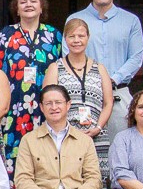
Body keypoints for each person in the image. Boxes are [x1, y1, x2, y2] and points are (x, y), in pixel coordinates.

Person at [68, 0, 143, 139]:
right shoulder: (74, 20)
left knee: (122, 147)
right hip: (84, 97)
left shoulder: (130, 21)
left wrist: (112, 79)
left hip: (119, 94)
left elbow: (136, 58)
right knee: (84, 148)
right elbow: (68, 57)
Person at [0, 0, 64, 168]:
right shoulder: (5, 35)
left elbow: (62, 69)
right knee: (15, 157)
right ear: (16, 9)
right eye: (23, 2)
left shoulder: (54, 36)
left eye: (33, 1)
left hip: (46, 108)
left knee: (46, 156)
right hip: (14, 109)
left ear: (42, 6)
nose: (28, 5)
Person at [44, 16, 114, 174]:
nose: (76, 40)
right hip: (65, 135)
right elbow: (48, 103)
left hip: (96, 135)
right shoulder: (55, 68)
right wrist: (67, 130)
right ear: (65, 39)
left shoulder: (100, 68)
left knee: (96, 181)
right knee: (69, 179)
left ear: (88, 38)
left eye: (81, 36)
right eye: (72, 36)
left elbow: (108, 103)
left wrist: (98, 127)